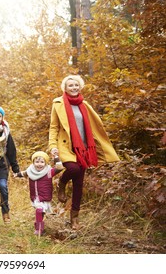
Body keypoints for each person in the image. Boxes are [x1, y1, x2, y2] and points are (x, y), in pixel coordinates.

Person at [48, 75, 120, 229]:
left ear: (79, 87)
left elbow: (95, 126)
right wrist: (52, 146)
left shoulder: (85, 105)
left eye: (76, 85)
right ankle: (62, 182)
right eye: (70, 85)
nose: (74, 88)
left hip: (84, 149)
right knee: (73, 169)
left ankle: (74, 218)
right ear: (65, 88)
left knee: (79, 184)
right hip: (66, 146)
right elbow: (53, 127)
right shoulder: (58, 104)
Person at [14, 151, 64, 235]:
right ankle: (41, 228)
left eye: (42, 162)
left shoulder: (49, 172)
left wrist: (56, 157)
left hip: (44, 197)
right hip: (35, 197)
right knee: (40, 212)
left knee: (39, 210)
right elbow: (24, 173)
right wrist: (17, 174)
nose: (39, 164)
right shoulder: (30, 171)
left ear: (45, 163)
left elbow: (59, 168)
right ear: (33, 162)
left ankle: (39, 229)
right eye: (37, 162)